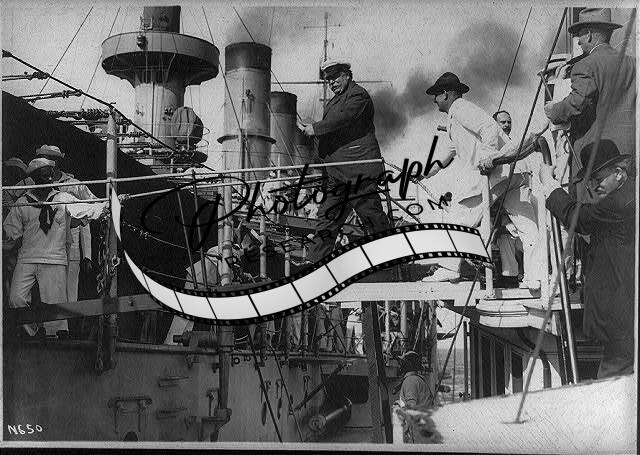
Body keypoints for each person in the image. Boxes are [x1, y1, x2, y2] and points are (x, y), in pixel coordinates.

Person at [422, 73, 546, 289]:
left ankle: (449, 268)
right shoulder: (454, 120)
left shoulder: (460, 108)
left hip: (496, 172)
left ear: (445, 94)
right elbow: (449, 152)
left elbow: (489, 127)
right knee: (528, 226)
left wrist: (488, 157)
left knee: (459, 217)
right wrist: (425, 173)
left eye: (436, 95)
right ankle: (536, 277)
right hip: (514, 172)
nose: (434, 100)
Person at [539, 140, 635, 378]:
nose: (593, 186)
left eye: (597, 178)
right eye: (590, 180)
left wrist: (550, 186)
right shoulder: (626, 195)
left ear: (619, 172)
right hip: (623, 318)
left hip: (622, 321)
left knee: (611, 384)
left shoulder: (621, 201)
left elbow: (578, 218)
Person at [2, 158, 107, 339]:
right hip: (27, 257)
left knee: (54, 303)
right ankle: (33, 331)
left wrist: (107, 205)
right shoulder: (23, 202)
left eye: (51, 175)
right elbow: (10, 233)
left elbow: (86, 209)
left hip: (54, 258)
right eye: (45, 176)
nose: (50, 179)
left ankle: (54, 337)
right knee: (16, 298)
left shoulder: (62, 198)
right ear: (35, 178)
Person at [298, 59, 391, 263]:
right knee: (327, 218)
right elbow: (333, 130)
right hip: (338, 174)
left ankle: (391, 262)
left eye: (335, 77)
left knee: (372, 217)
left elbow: (344, 119)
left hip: (358, 171)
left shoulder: (358, 95)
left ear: (347, 75)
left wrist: (316, 128)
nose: (331, 83)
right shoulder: (334, 102)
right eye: (328, 79)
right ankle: (314, 264)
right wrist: (312, 129)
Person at [544, 8, 635, 160]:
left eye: (580, 35)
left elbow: (578, 103)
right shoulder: (633, 63)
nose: (579, 41)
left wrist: (555, 111)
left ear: (589, 34)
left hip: (597, 155)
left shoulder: (585, 65)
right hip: (631, 152)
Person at [34, 145, 97, 304]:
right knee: (48, 292)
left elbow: (93, 206)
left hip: (70, 246)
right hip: (44, 247)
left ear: (56, 162)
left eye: (49, 160)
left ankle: (69, 321)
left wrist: (87, 254)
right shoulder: (35, 184)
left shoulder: (74, 185)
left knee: (69, 293)